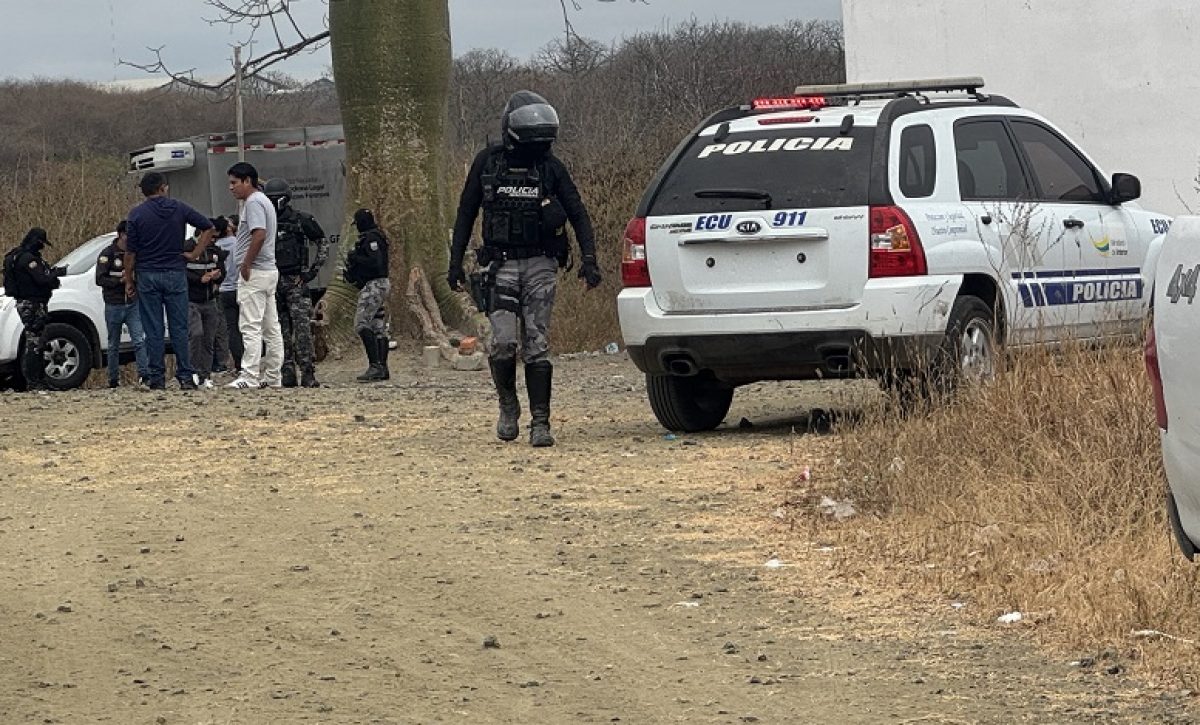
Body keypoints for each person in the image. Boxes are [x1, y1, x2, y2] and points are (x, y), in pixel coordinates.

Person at [447, 91, 603, 447]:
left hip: (540, 264)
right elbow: (466, 212)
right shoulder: (487, 162)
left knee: (537, 343)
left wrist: (589, 259)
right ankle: (507, 405)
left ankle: (541, 422)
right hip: (499, 264)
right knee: (503, 343)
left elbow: (578, 214)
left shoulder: (551, 167)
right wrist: (455, 262)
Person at [124, 171, 215, 390]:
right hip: (175, 271)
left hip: (148, 274)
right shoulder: (179, 208)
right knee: (180, 327)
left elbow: (130, 253)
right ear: (163, 187)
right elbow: (208, 227)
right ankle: (185, 375)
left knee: (153, 328)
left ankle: (156, 377)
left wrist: (129, 279)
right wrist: (194, 254)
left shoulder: (136, 215)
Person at [264, 179, 329, 388]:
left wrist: (311, 272)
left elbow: (322, 243)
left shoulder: (301, 220)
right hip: (273, 281)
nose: (274, 203)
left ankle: (307, 371)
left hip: (295, 281)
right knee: (278, 331)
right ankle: (287, 371)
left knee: (302, 330)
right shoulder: (264, 222)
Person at [225, 162, 284, 389]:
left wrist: (246, 263)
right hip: (269, 270)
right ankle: (273, 376)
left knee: (250, 326)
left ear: (247, 181)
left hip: (256, 271)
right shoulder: (264, 201)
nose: (231, 188)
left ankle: (249, 376)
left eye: (234, 182)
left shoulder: (253, 203)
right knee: (271, 327)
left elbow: (258, 234)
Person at [2, 228, 66, 391]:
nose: (42, 247)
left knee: (36, 341)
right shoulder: (28, 259)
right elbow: (41, 279)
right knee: (35, 343)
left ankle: (34, 380)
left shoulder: (17, 256)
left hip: (25, 303)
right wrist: (56, 274)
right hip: (32, 304)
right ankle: (34, 381)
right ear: (36, 241)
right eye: (41, 243)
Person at [95, 221, 149, 388]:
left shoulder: (136, 253)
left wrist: (135, 283)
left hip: (133, 304)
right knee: (113, 344)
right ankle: (113, 379)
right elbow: (100, 279)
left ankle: (144, 375)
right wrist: (120, 281)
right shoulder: (108, 254)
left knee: (139, 340)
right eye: (127, 234)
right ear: (120, 235)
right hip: (114, 304)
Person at [344, 208, 390, 383]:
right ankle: (382, 367)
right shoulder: (378, 236)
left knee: (361, 324)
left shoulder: (371, 239)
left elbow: (375, 262)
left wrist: (356, 259)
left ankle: (375, 366)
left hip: (374, 285)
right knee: (378, 326)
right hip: (379, 284)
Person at [184, 228, 225, 388]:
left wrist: (217, 278)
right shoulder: (186, 248)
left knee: (209, 338)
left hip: (210, 300)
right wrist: (199, 279)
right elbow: (182, 272)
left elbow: (223, 270)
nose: (213, 240)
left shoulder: (214, 251)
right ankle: (192, 371)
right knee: (196, 334)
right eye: (210, 236)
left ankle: (205, 374)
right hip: (191, 300)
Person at [215, 215, 242, 374]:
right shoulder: (239, 243)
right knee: (247, 325)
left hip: (223, 290)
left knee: (231, 329)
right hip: (240, 287)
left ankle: (238, 362)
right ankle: (252, 359)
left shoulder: (216, 246)